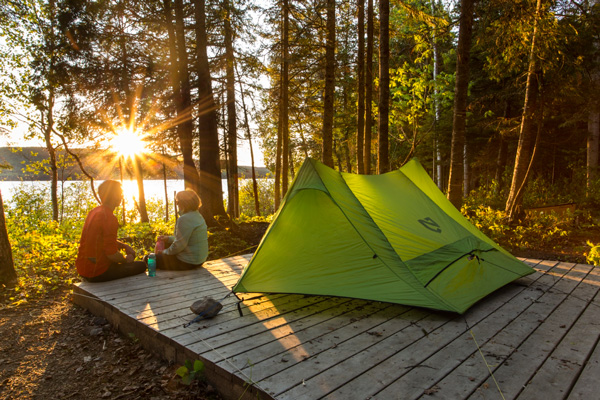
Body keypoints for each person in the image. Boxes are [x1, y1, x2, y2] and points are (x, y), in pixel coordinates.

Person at [76, 180, 146, 282]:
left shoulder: (94, 212)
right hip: (97, 272)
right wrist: (125, 260)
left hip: (83, 269)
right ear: (113, 196)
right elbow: (111, 254)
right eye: (120, 193)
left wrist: (124, 246)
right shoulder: (108, 217)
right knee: (141, 266)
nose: (122, 196)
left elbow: (102, 240)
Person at [153, 189, 208, 270]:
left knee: (148, 258)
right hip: (199, 260)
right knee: (166, 243)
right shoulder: (197, 215)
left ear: (184, 203)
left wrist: (164, 252)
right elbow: (184, 239)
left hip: (187, 262)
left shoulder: (184, 219)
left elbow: (179, 245)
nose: (177, 204)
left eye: (177, 202)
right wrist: (168, 239)